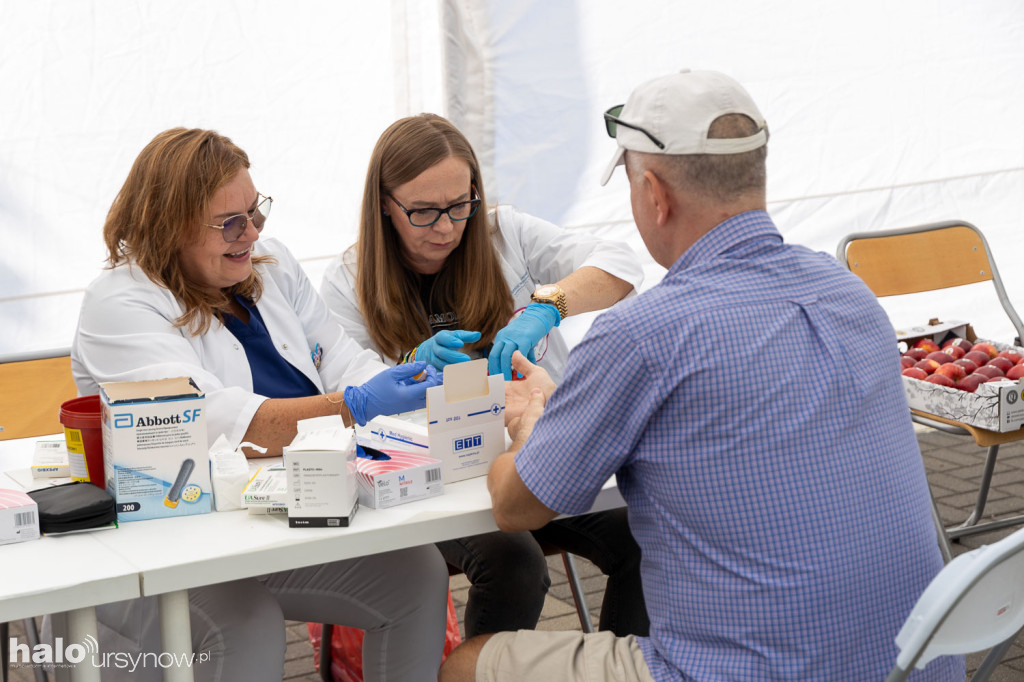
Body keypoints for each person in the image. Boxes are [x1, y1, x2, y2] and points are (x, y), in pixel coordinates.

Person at [440, 70, 964, 681]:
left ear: (655, 195)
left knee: (471, 663)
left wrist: (535, 425)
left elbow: (515, 507)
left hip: (745, 673)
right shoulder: (849, 294)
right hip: (917, 665)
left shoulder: (641, 335)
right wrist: (575, 408)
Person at [70, 127, 449, 682]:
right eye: (230, 223)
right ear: (169, 226)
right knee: (244, 626)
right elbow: (215, 422)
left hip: (272, 513)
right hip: (168, 538)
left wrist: (411, 378)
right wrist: (358, 405)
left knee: (417, 574)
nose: (252, 233)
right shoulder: (120, 300)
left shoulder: (267, 262)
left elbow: (341, 359)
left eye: (256, 211)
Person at [320, 113, 650, 639]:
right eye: (424, 212)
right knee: (515, 564)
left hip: (530, 456)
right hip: (433, 477)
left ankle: (620, 674)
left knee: (642, 533)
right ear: (384, 203)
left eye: (459, 205)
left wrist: (550, 306)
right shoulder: (346, 280)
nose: (448, 227)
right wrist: (408, 364)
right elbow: (346, 393)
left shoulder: (505, 232)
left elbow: (619, 262)